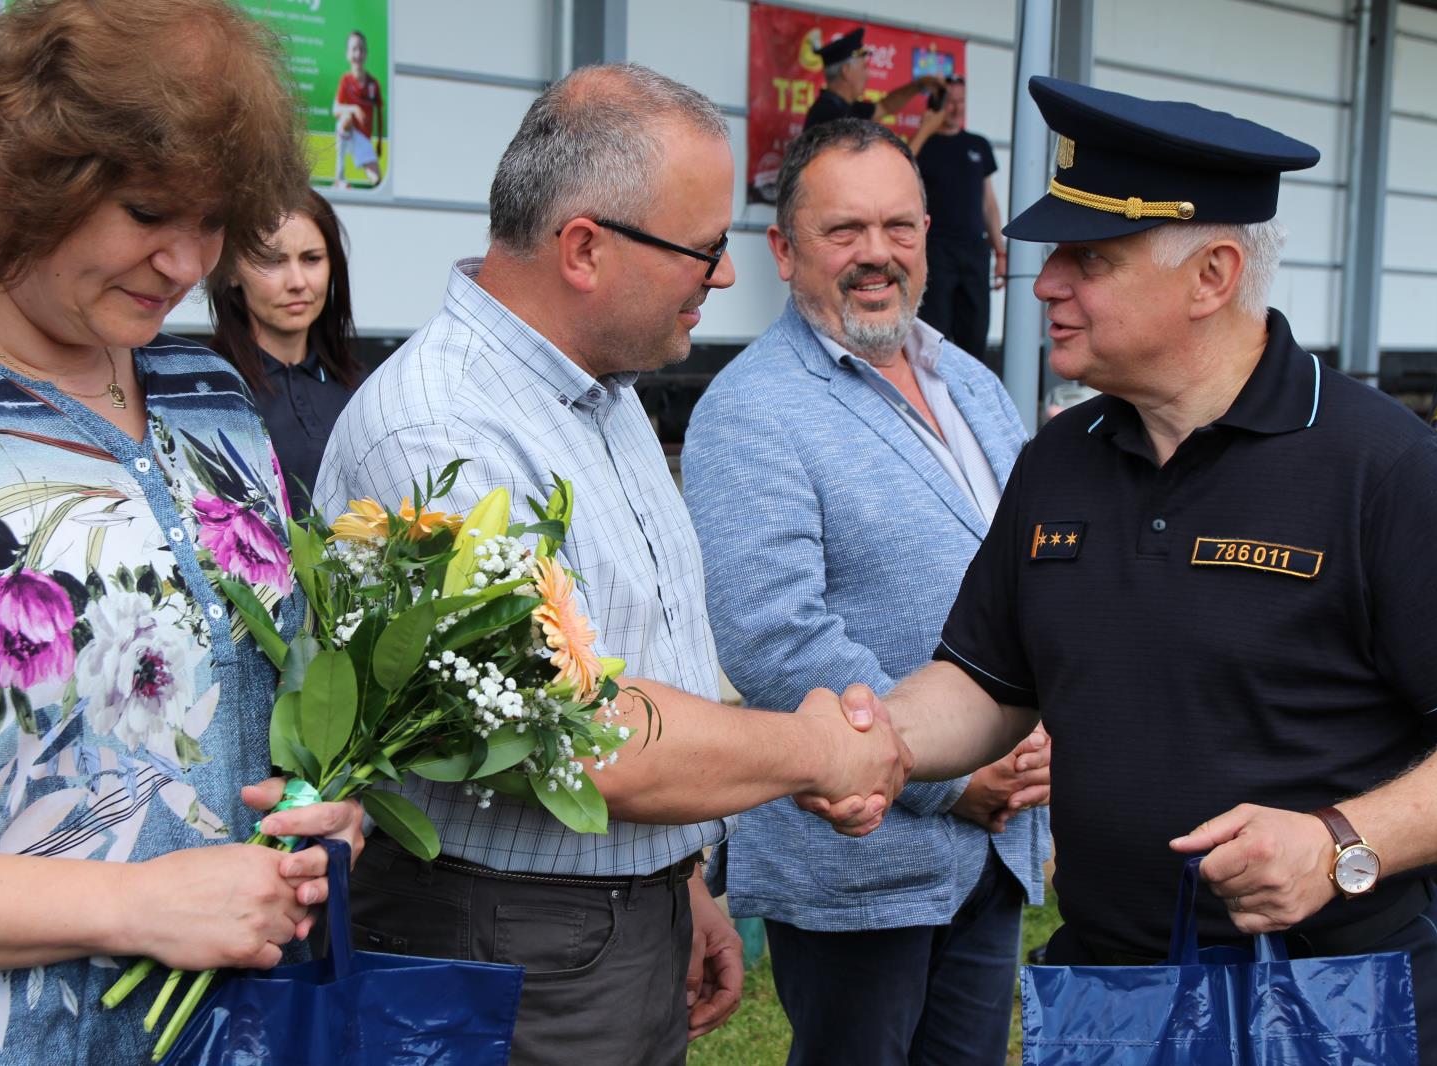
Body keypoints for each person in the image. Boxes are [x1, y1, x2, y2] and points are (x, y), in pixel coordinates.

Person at [315, 63, 911, 1066]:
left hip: (599, 922)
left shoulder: (603, 390)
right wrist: (815, 749)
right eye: (704, 250)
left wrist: (677, 880)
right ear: (585, 248)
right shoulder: (439, 433)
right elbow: (576, 733)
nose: (723, 278)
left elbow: (639, 655)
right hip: (503, 947)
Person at [0, 2, 364, 1062]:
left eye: (215, 223)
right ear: (25, 171)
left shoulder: (212, 393)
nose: (186, 263)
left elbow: (267, 696)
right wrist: (130, 905)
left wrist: (323, 814)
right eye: (147, 211)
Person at [879, 76, 1437, 1063]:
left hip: (1330, 997)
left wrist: (1338, 843)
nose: (1043, 283)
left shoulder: (1380, 467)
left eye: (1089, 258)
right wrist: (869, 742)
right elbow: (988, 683)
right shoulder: (1059, 459)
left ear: (1212, 275)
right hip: (1113, 994)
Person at [682, 118, 1050, 1066]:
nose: (876, 253)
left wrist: (1042, 725)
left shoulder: (971, 384)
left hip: (997, 845)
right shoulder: (750, 409)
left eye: (899, 226)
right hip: (858, 860)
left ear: (929, 234)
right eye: (844, 230)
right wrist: (954, 774)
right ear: (784, 251)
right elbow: (774, 635)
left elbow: (1030, 579)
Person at [208, 189, 362, 518]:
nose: (297, 282)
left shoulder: (365, 389)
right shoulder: (206, 393)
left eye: (312, 259)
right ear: (232, 270)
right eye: (273, 260)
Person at [914, 76, 1007, 370]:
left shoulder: (978, 145)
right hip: (936, 253)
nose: (956, 108)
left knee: (975, 335)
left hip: (974, 253)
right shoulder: (924, 145)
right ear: (937, 105)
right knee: (934, 335)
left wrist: (1000, 252)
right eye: (950, 102)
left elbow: (989, 203)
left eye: (961, 101)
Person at [803, 28, 943, 133]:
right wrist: (925, 130)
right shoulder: (830, 116)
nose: (868, 75)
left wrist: (919, 85)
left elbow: (885, 107)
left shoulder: (844, 107)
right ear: (846, 71)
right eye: (864, 67)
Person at [333, 29, 384, 188]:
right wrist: (354, 109)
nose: (357, 54)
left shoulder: (373, 84)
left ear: (366, 54)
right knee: (345, 118)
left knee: (377, 180)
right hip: (348, 133)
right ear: (348, 54)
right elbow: (335, 110)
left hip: (363, 139)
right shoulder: (345, 80)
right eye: (354, 49)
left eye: (361, 49)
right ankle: (339, 178)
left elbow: (379, 114)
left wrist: (379, 143)